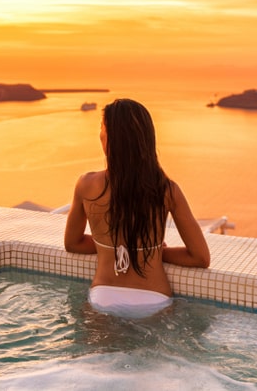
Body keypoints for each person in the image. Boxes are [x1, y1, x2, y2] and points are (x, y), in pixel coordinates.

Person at [63, 98, 210, 318]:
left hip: (104, 297)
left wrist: (109, 246)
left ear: (109, 139)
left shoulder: (86, 185)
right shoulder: (167, 190)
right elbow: (200, 258)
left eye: (101, 128)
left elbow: (72, 243)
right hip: (154, 298)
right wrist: (158, 252)